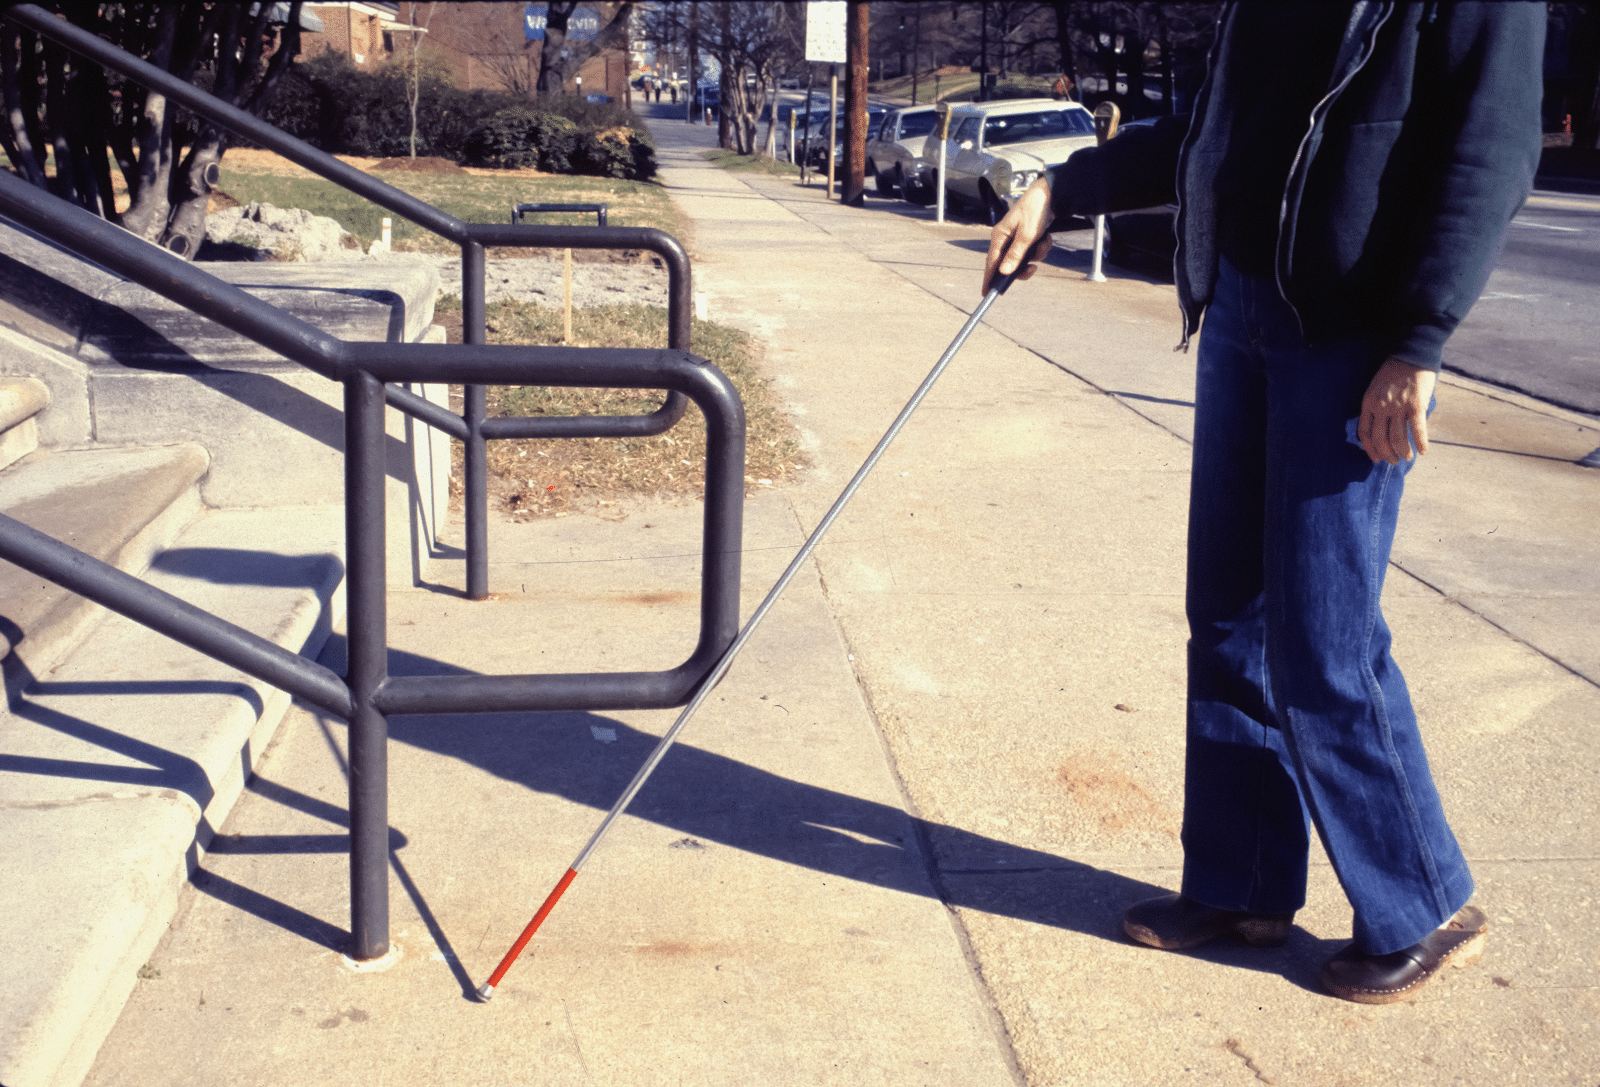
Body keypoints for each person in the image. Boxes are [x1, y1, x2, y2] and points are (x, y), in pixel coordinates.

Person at [984, 1, 1543, 1004]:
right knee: (1229, 615)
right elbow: (1214, 124)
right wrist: (1062, 190)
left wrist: (1417, 342)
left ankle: (1420, 899)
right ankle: (1240, 888)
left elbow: (1487, 151)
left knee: (1323, 634)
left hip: (1350, 330)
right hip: (1242, 300)